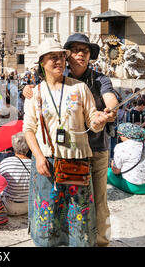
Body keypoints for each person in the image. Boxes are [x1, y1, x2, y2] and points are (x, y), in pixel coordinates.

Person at [22, 38, 112, 247]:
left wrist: (99, 120)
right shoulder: (35, 93)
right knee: (48, 216)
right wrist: (38, 157)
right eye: (53, 57)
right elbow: (28, 129)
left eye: (62, 56)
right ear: (42, 62)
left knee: (78, 218)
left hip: (78, 162)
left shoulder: (80, 88)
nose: (59, 61)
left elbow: (92, 122)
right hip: (47, 163)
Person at [108, 123, 145, 194]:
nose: (120, 137)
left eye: (120, 135)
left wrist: (112, 164)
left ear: (124, 135)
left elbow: (116, 171)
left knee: (107, 172)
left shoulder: (121, 146)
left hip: (134, 187)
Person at [0, 132, 31, 216]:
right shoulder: (33, 164)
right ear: (28, 148)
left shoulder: (6, 161)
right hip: (29, 206)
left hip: (9, 207)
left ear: (13, 147)